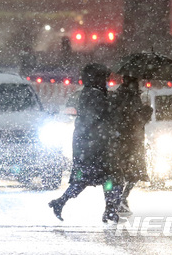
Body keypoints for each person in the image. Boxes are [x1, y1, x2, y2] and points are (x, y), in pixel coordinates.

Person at [48, 63, 122, 223]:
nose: (105, 81)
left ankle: (62, 202)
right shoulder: (95, 95)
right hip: (94, 145)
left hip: (88, 144)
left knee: (89, 178)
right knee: (109, 177)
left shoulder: (91, 93)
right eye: (103, 78)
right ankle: (109, 209)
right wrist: (112, 107)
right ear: (96, 78)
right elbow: (98, 118)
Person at [109, 75, 153, 215]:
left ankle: (121, 199)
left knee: (133, 174)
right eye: (136, 82)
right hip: (126, 140)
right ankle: (118, 200)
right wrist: (143, 114)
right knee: (128, 173)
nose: (138, 85)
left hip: (132, 140)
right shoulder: (123, 96)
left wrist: (144, 114)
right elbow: (128, 118)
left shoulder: (130, 96)